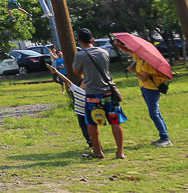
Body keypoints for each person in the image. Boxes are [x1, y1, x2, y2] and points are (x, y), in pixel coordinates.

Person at [72, 28, 126, 159]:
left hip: (92, 95)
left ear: (79, 41)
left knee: (92, 122)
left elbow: (76, 71)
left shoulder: (80, 55)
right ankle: (120, 152)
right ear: (93, 40)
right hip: (109, 93)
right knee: (115, 121)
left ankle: (98, 152)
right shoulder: (104, 52)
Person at [115, 40, 172, 147]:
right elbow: (129, 52)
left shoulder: (148, 63)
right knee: (156, 113)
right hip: (145, 89)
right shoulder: (140, 58)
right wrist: (119, 45)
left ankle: (165, 138)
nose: (135, 51)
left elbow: (144, 78)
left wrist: (132, 71)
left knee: (154, 114)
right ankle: (163, 136)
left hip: (151, 90)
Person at [46, 63, 94, 152]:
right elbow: (67, 81)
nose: (85, 85)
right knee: (84, 131)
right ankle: (90, 143)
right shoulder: (76, 90)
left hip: (89, 114)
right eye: (83, 83)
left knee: (91, 130)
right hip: (80, 114)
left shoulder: (91, 92)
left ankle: (95, 144)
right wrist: (56, 72)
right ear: (79, 85)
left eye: (86, 83)